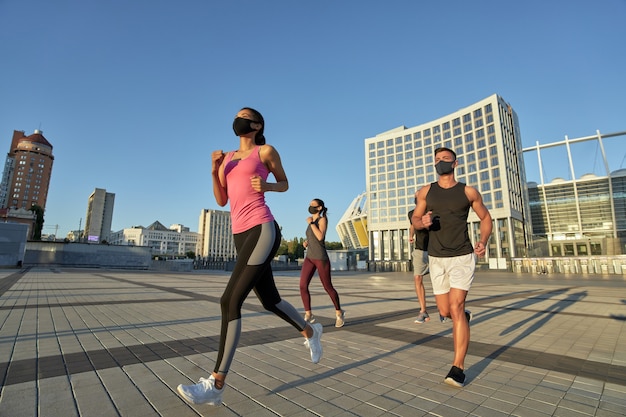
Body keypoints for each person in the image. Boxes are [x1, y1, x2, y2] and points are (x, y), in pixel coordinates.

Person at [177, 107, 323, 406]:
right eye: (236, 116)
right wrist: (214, 168)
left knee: (229, 301)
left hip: (262, 228)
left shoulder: (265, 151)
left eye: (244, 116)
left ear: (256, 125)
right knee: (270, 300)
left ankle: (216, 384)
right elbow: (221, 199)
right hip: (239, 234)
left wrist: (267, 184)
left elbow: (284, 182)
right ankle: (310, 331)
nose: (238, 119)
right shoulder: (227, 158)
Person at [412, 147, 492, 388]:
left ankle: (458, 367)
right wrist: (422, 222)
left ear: (455, 164)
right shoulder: (426, 191)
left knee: (456, 307)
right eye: (437, 160)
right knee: (446, 311)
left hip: (462, 256)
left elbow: (486, 218)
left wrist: (483, 241)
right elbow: (415, 219)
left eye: (445, 159)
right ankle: (462, 319)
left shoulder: (468, 192)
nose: (441, 163)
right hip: (436, 258)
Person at [299, 199, 345, 328]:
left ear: (319, 208)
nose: (310, 206)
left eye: (313, 205)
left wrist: (311, 223)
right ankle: (309, 314)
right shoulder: (311, 222)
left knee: (327, 287)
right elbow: (313, 237)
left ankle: (339, 312)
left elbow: (320, 237)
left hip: (320, 258)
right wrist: (306, 242)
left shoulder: (321, 220)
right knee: (302, 285)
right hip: (309, 257)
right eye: (309, 204)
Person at [408, 195, 430, 324]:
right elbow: (412, 225)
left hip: (435, 250)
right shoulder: (411, 213)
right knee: (417, 278)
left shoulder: (433, 212)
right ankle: (423, 311)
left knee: (443, 279)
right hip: (419, 250)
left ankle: (449, 310)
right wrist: (410, 235)